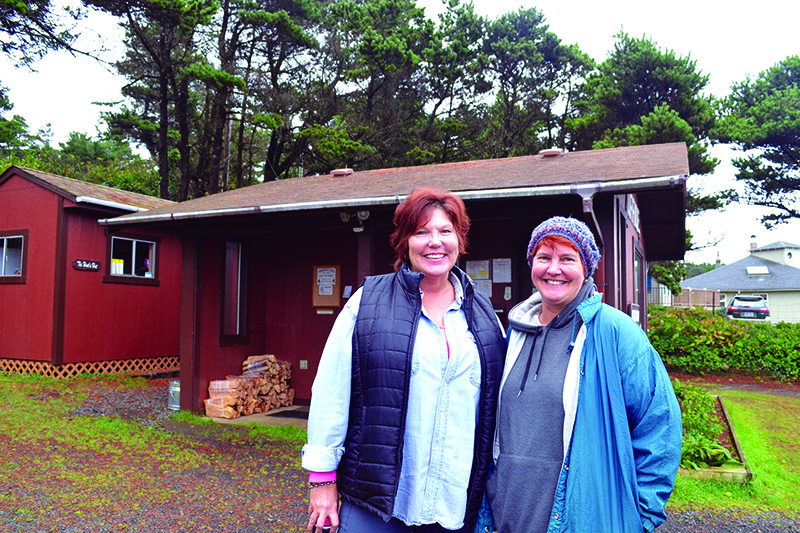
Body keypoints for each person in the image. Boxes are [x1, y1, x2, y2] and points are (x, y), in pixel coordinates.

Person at [302, 188, 506, 533]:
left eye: (445, 231)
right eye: (421, 232)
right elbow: (331, 392)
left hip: (454, 504)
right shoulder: (368, 303)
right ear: (405, 242)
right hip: (378, 504)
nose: (434, 242)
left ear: (459, 239)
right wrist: (322, 480)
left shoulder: (483, 314)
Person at [484, 216, 682, 533]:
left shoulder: (616, 333)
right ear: (531, 263)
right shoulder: (514, 335)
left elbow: (659, 425)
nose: (553, 269)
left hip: (582, 519)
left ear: (587, 267)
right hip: (507, 514)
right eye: (543, 257)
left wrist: (640, 517)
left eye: (567, 259)